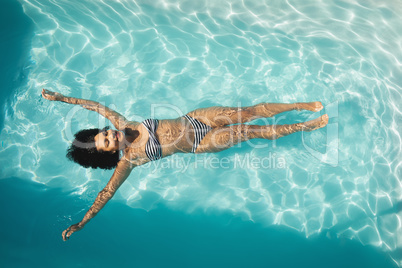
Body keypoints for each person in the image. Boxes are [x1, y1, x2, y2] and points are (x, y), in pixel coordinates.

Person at [41, 89, 329, 241]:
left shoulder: (123, 122)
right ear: (109, 153)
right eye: (107, 142)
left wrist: (61, 98)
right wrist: (82, 222)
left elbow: (94, 105)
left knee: (246, 112)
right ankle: (306, 127)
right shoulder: (130, 161)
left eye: (103, 133)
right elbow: (106, 194)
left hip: (195, 119)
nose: (109, 134)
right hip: (200, 143)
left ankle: (299, 105)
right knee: (252, 131)